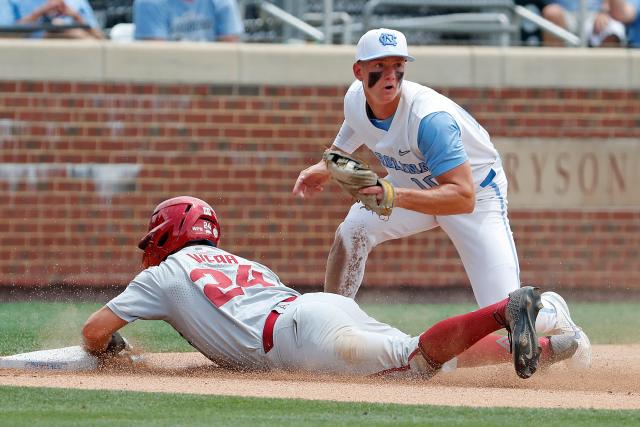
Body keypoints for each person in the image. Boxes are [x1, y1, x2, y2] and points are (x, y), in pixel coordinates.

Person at [292, 28, 591, 370]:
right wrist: (326, 164)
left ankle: (552, 309)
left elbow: (461, 198)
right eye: (380, 66)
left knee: (507, 314)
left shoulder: (429, 120)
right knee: (353, 230)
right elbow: (355, 125)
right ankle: (329, 326)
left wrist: (393, 194)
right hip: (413, 182)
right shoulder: (355, 99)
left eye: (398, 65)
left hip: (475, 195)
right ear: (359, 71)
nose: (390, 74)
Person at [82, 196, 579, 379]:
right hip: (312, 309)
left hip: (297, 335)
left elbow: (94, 330)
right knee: (426, 354)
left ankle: (506, 310)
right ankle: (549, 345)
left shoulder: (163, 273)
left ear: (168, 233)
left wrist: (108, 348)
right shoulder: (239, 260)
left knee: (413, 362)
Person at [133, 0, 244, 42]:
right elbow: (155, 61)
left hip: (212, 80)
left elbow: (229, 56)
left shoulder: (223, 3)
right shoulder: (149, 3)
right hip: (168, 83)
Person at [541, 0, 626, 46]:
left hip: (595, 14)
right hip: (564, 14)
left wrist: (604, 11)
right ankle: (559, 72)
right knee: (552, 13)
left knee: (612, 30)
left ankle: (603, 74)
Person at [11, 0, 104, 39]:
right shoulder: (22, 2)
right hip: (35, 58)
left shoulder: (78, 1)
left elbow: (99, 37)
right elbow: (7, 36)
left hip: (79, 56)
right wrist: (40, 12)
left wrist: (76, 16)